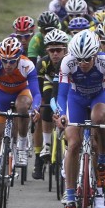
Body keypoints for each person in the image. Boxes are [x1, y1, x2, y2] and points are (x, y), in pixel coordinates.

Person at [55, 30, 105, 208]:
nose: (83, 64)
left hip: (99, 98)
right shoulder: (67, 62)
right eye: (80, 59)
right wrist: (61, 115)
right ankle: (70, 196)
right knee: (73, 143)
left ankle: (101, 159)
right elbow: (62, 95)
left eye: (87, 59)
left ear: (95, 54)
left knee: (98, 118)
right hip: (76, 99)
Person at [0, 37, 41, 200]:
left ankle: (21, 144)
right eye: (5, 61)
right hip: (1, 96)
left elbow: (36, 93)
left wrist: (35, 108)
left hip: (22, 93)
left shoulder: (27, 65)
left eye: (12, 61)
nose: (8, 65)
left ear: (19, 58)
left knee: (22, 106)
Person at [32, 29, 70, 180]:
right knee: (46, 104)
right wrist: (39, 106)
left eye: (58, 50)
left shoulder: (69, 61)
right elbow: (38, 91)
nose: (55, 54)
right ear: (47, 50)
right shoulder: (42, 63)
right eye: (51, 50)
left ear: (65, 50)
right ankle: (47, 144)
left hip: (66, 83)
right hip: (48, 82)